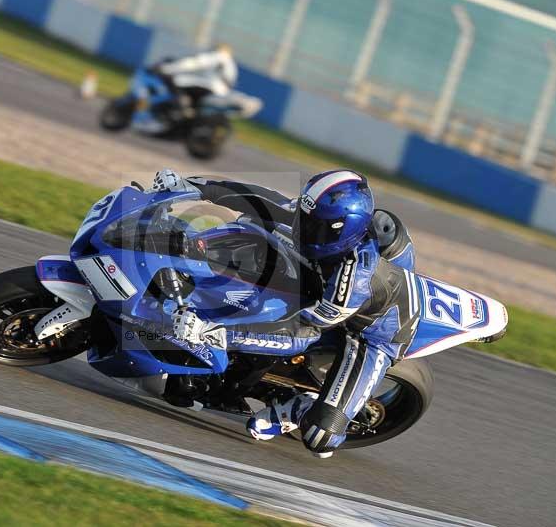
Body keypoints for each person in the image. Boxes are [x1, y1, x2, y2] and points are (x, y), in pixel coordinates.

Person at [151, 168, 419, 458]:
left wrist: (210, 331)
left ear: (342, 231)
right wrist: (191, 185)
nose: (303, 227)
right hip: (322, 289)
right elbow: (260, 199)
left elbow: (301, 331)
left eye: (315, 226)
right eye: (306, 218)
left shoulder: (354, 278)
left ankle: (296, 407)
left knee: (321, 437)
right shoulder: (316, 221)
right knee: (254, 222)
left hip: (370, 333)